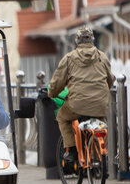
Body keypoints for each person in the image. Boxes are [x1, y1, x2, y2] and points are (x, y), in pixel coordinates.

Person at [46, 26, 114, 164]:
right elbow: (110, 80)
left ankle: (71, 150)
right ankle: (99, 160)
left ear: (77, 41)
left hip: (77, 105)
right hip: (100, 104)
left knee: (62, 117)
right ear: (92, 40)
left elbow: (58, 82)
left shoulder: (69, 58)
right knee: (99, 125)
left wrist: (52, 93)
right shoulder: (102, 57)